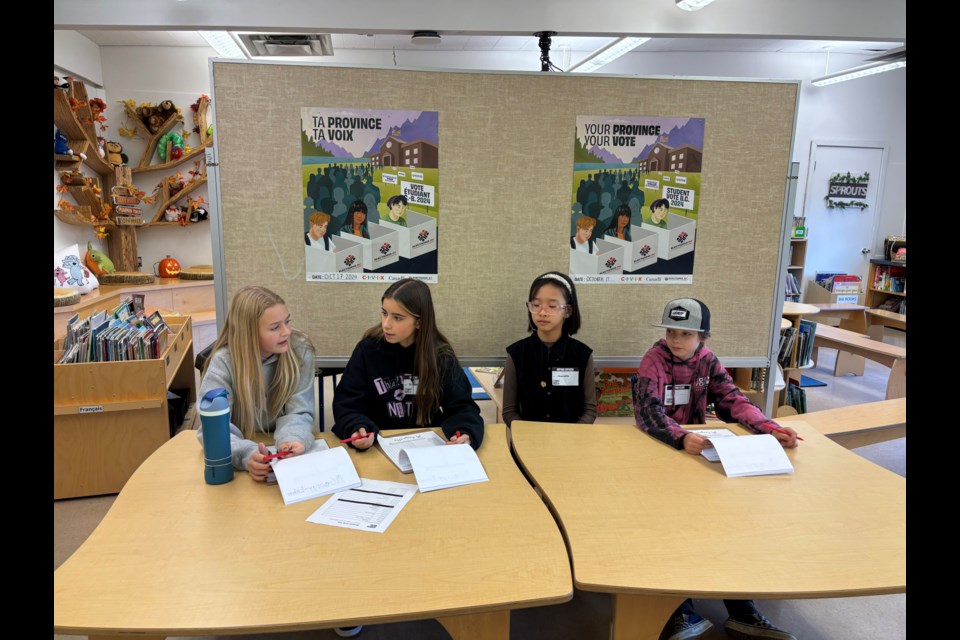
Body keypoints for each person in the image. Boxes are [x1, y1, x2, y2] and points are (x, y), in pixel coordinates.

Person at [633, 297, 799, 640]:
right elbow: (648, 412)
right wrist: (680, 438)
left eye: (686, 334)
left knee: (726, 527)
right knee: (669, 534)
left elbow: (732, 400)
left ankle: (742, 609)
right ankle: (679, 611)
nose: (676, 340)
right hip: (658, 453)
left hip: (698, 455)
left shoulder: (707, 362)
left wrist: (770, 428)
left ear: (702, 337)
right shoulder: (653, 360)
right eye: (671, 332)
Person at [332, 278, 484, 450]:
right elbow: (347, 404)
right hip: (378, 443)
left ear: (419, 321)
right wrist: (356, 427)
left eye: (397, 318)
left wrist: (464, 432)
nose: (386, 324)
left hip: (427, 445)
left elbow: (461, 407)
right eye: (384, 313)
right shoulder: (368, 350)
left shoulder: (440, 355)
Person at [197, 286, 316, 481]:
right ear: (249, 332)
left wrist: (293, 438)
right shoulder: (223, 362)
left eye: (287, 321)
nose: (286, 331)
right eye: (275, 327)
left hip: (281, 453)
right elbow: (211, 430)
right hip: (240, 456)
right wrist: (246, 454)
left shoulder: (300, 351)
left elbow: (300, 411)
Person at [502, 271, 596, 426]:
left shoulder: (582, 354)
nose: (542, 312)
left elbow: (589, 410)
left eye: (552, 306)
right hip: (527, 441)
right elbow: (509, 411)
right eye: (536, 305)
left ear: (567, 311)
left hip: (571, 441)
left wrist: (572, 436)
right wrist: (528, 436)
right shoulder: (516, 353)